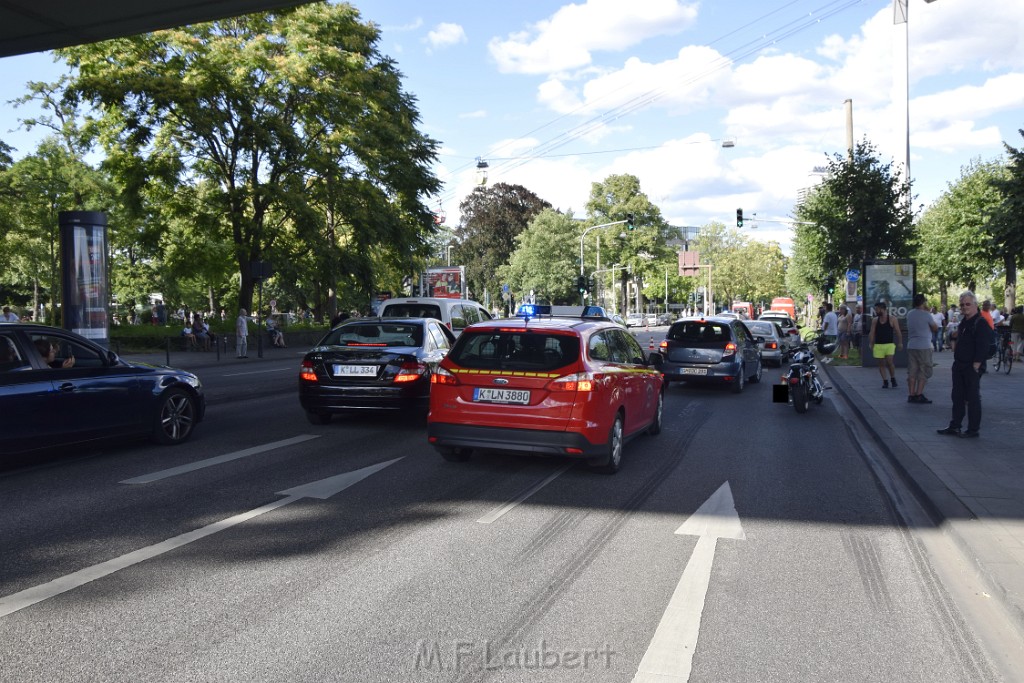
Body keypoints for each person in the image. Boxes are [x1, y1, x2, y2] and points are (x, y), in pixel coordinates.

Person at [938, 291, 992, 439]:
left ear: (975, 305)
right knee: (957, 396)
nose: (964, 307)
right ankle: (955, 425)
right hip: (959, 365)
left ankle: (973, 429)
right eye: (962, 304)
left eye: (967, 304)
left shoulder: (980, 322)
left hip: (971, 367)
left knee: (972, 398)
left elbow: (983, 346)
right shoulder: (964, 322)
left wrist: (976, 365)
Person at [906, 294, 938, 403]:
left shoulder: (910, 314)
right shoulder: (927, 315)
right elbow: (935, 328)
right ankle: (919, 394)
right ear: (923, 302)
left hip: (912, 345)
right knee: (924, 369)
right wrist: (927, 311)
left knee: (912, 370)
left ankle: (911, 394)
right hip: (924, 345)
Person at [868, 300, 902, 388]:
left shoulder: (892, 319)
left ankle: (893, 378)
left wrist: (900, 342)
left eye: (877, 309)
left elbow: (898, 331)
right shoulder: (875, 320)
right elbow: (872, 332)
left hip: (889, 344)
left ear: (882, 309)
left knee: (889, 362)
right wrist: (871, 343)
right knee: (881, 363)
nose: (876, 311)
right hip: (878, 345)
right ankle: (885, 381)